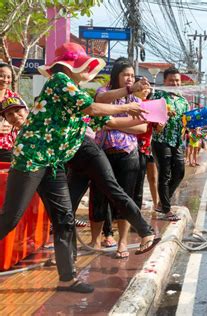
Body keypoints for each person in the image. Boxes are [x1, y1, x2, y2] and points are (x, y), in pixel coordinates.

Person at [0, 42, 156, 293]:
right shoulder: (60, 81)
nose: (89, 71)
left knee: (64, 219)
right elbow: (93, 107)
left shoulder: (74, 90)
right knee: (10, 218)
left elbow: (108, 118)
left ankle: (67, 278)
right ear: (72, 65)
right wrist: (128, 104)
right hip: (31, 158)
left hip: (53, 162)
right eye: (85, 65)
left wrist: (147, 116)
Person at [91, 58, 149, 259]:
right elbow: (100, 103)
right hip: (102, 153)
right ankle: (95, 240)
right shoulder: (103, 91)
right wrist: (124, 121)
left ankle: (122, 242)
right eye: (126, 75)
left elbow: (142, 127)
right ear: (116, 75)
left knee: (125, 199)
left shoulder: (137, 100)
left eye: (132, 76)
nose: (130, 79)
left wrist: (112, 123)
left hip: (127, 154)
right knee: (98, 198)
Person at [150, 67, 189, 221]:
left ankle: (162, 202)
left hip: (177, 141)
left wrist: (194, 128)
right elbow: (151, 116)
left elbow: (186, 121)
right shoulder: (158, 96)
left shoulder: (183, 101)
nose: (174, 83)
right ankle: (166, 209)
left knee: (179, 172)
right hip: (161, 140)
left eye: (177, 80)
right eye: (171, 80)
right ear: (165, 81)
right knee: (165, 174)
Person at [134, 78, 159, 211]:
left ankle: (157, 205)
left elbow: (157, 128)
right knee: (136, 180)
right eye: (142, 87)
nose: (145, 90)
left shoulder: (151, 105)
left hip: (148, 146)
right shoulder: (130, 103)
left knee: (153, 177)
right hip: (133, 145)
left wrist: (162, 122)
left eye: (147, 87)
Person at [0, 63, 19, 162]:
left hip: (7, 147)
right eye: (2, 76)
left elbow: (24, 118)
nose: (5, 80)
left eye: (8, 77)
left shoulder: (13, 97)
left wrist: (13, 123)